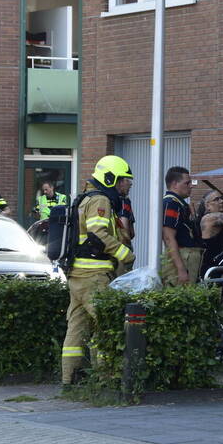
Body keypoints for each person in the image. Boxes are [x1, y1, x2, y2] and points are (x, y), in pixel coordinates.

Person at [61, 155, 135, 389]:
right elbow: (97, 234)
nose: (128, 185)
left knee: (76, 330)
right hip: (93, 276)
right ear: (111, 178)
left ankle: (69, 381)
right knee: (106, 325)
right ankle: (105, 381)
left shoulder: (85, 198)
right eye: (125, 180)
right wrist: (125, 254)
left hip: (77, 276)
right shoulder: (100, 199)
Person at [160, 167, 201, 286]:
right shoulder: (171, 203)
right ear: (175, 184)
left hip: (188, 257)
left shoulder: (180, 204)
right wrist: (181, 269)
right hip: (182, 258)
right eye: (187, 183)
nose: (191, 186)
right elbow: (168, 237)